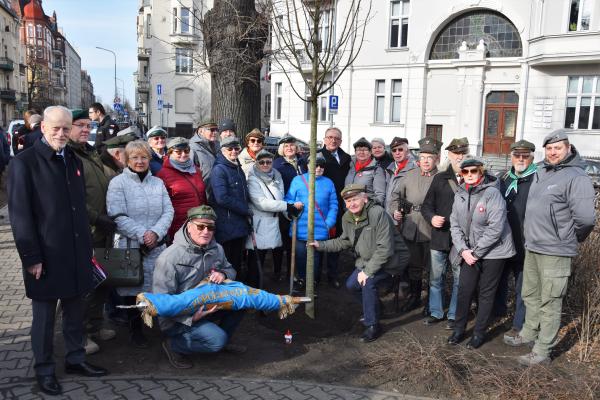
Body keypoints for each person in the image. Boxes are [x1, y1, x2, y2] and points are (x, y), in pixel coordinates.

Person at [8, 106, 108, 396]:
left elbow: (78, 208)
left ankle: (76, 359)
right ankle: (44, 370)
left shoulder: (72, 160)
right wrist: (31, 257)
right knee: (44, 318)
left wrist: (86, 249)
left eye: (67, 128)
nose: (62, 134)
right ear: (43, 128)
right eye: (56, 128)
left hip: (76, 252)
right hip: (46, 255)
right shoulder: (25, 163)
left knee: (75, 311)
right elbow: (20, 216)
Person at [505, 130, 595, 366]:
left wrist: (567, 237)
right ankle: (528, 333)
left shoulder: (577, 177)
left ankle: (543, 349)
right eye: (549, 148)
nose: (552, 152)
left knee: (550, 300)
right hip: (533, 245)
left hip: (556, 250)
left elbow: (585, 219)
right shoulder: (541, 171)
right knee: (530, 294)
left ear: (568, 148)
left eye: (557, 148)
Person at [309, 184, 409, 342]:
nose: (351, 204)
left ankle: (373, 325)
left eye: (355, 199)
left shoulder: (377, 214)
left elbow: (385, 249)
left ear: (365, 198)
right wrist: (320, 245)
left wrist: (367, 272)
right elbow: (344, 241)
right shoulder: (347, 218)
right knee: (351, 285)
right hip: (368, 260)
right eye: (348, 201)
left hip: (391, 260)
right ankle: (377, 308)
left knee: (367, 282)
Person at [153, 206, 245, 369]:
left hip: (208, 306)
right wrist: (191, 318)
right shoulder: (169, 258)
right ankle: (174, 345)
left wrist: (223, 274)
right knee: (216, 341)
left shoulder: (217, 249)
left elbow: (231, 269)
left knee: (242, 303)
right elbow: (162, 303)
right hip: (180, 318)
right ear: (189, 226)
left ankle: (223, 338)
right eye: (200, 226)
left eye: (210, 227)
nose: (206, 231)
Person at [106, 140, 174, 348]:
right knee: (130, 290)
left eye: (144, 157)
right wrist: (143, 234)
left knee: (155, 286)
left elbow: (168, 211)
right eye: (134, 157)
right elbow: (117, 215)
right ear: (127, 160)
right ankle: (134, 329)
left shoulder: (158, 183)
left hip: (156, 245)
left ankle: (153, 322)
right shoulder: (118, 183)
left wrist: (155, 232)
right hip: (130, 245)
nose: (140, 161)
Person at [447, 158, 515, 349]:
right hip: (469, 252)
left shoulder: (492, 193)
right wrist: (463, 250)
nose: (469, 175)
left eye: (473, 171)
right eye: (465, 172)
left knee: (486, 292)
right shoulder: (459, 194)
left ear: (481, 173)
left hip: (495, 251)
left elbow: (496, 227)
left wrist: (476, 253)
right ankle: (459, 329)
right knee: (465, 290)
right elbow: (454, 225)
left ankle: (479, 333)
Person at [66, 109, 117, 355]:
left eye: (88, 125)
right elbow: (71, 197)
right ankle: (81, 334)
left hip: (102, 229)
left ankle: (95, 325)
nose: (85, 129)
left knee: (102, 282)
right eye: (79, 125)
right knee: (86, 286)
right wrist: (97, 218)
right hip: (86, 229)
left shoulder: (89, 152)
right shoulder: (67, 155)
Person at [421, 137, 469, 330]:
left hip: (462, 240)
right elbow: (426, 206)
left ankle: (454, 315)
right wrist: (432, 218)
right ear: (449, 155)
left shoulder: (473, 175)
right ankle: (435, 311)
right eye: (455, 153)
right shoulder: (440, 178)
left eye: (462, 153)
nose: (459, 157)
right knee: (435, 277)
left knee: (459, 279)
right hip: (440, 235)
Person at [390, 138, 440, 315]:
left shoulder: (441, 178)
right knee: (414, 266)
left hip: (433, 229)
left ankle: (432, 302)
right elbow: (395, 196)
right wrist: (396, 210)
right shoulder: (409, 175)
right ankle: (415, 296)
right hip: (411, 228)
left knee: (433, 269)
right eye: (423, 156)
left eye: (430, 157)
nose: (426, 160)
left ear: (437, 159)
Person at [494, 140, 536, 341]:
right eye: (517, 155)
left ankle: (518, 324)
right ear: (511, 156)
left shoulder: (537, 179)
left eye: (525, 155)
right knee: (499, 281)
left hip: (525, 243)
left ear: (532, 157)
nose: (521, 159)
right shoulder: (502, 178)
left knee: (522, 287)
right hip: (502, 242)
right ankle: (497, 313)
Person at [246, 149, 302, 285]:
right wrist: (287, 206)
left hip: (274, 221)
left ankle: (270, 283)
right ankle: (254, 286)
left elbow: (280, 197)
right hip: (260, 223)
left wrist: (288, 214)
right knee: (257, 258)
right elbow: (261, 203)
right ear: (257, 163)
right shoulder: (252, 178)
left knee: (273, 251)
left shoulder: (276, 175)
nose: (265, 164)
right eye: (262, 162)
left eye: (268, 162)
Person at [285, 154, 337, 292]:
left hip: (320, 228)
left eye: (322, 165)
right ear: (308, 165)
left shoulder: (328, 182)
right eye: (316, 164)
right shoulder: (298, 180)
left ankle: (312, 282)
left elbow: (333, 204)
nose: (319, 168)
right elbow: (288, 199)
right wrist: (293, 205)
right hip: (300, 226)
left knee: (314, 257)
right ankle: (302, 279)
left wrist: (329, 222)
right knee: (301, 255)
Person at [210, 136, 252, 277]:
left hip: (239, 224)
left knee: (237, 261)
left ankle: (237, 290)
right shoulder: (219, 170)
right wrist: (245, 209)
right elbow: (222, 198)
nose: (234, 151)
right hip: (226, 225)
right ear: (222, 151)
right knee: (227, 262)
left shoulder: (237, 166)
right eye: (230, 149)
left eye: (236, 148)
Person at [318, 127, 351, 288]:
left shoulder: (346, 158)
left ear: (341, 141)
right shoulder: (317, 156)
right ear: (324, 139)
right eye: (330, 137)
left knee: (336, 240)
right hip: (321, 206)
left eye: (336, 138)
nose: (333, 140)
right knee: (319, 240)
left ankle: (332, 275)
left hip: (339, 206)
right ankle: (315, 276)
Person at [156, 137, 207, 243]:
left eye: (186, 151)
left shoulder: (196, 170)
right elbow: (159, 206)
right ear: (170, 153)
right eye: (178, 152)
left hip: (198, 224)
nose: (183, 154)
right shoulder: (163, 174)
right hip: (177, 227)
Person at [273, 134, 308, 279]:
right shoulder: (277, 164)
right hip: (283, 205)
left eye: (292, 145)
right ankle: (277, 272)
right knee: (281, 242)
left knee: (293, 241)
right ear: (282, 148)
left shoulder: (302, 163)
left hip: (300, 207)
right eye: (286, 146)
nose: (289, 148)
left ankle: (291, 273)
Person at [345, 137, 386, 205]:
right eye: (358, 149)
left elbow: (380, 196)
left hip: (366, 210)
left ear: (370, 152)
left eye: (365, 150)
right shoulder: (350, 167)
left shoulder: (376, 169)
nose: (361, 152)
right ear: (355, 152)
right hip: (349, 210)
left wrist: (367, 208)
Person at [190, 119, 219, 189]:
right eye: (212, 130)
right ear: (201, 131)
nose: (215, 132)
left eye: (216, 130)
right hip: (204, 192)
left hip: (218, 190)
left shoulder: (218, 145)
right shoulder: (192, 148)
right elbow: (190, 174)